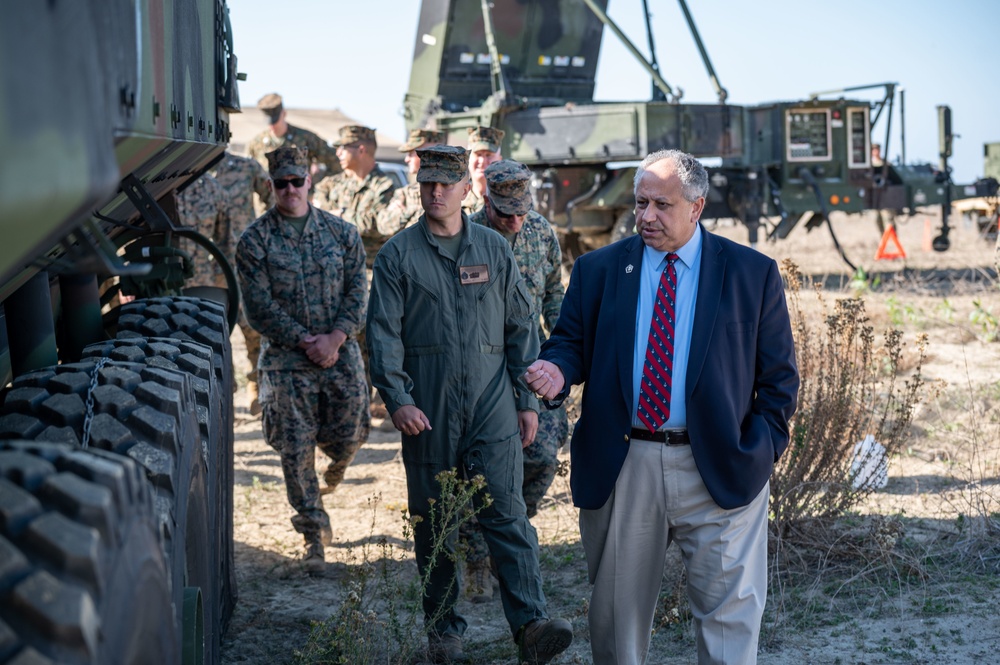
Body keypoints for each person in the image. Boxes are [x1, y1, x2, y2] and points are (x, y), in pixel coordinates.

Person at [525, 149, 799, 665]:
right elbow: (569, 344)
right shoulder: (598, 270)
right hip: (626, 465)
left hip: (721, 464)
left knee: (731, 623)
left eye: (661, 205)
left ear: (696, 208)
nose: (646, 216)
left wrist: (760, 450)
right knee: (616, 625)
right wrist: (557, 371)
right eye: (640, 203)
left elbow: (780, 380)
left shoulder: (751, 273)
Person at [366, 145, 573, 665]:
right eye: (428, 183)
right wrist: (398, 400)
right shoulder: (398, 255)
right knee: (434, 523)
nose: (436, 192)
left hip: (492, 405)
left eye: (446, 184)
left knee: (508, 516)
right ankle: (444, 635)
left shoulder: (493, 249)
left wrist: (526, 400)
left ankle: (532, 626)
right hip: (428, 409)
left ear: (466, 190)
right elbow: (383, 337)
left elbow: (521, 329)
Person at [235, 146, 370, 573]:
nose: (290, 189)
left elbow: (358, 293)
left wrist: (335, 337)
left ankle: (335, 470)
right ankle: (313, 536)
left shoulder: (342, 234)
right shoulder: (255, 241)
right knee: (294, 449)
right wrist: (305, 340)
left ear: (310, 180)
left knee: (352, 432)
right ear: (271, 187)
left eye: (297, 181)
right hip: (286, 361)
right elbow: (257, 306)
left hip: (340, 353)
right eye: (281, 183)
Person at [461, 160, 567, 603]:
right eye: (507, 212)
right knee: (478, 468)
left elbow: (555, 294)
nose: (516, 220)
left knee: (542, 457)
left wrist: (565, 353)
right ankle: (476, 558)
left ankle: (511, 537)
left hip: (532, 367)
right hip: (480, 370)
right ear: (486, 199)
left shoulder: (541, 232)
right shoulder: (463, 237)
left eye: (522, 210)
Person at [211, 151, 273, 415]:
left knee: (253, 329)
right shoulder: (187, 171)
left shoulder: (246, 167)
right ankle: (223, 396)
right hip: (207, 268)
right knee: (214, 333)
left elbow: (274, 197)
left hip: (244, 263)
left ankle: (256, 387)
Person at [312, 124, 397, 263]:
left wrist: (339, 215)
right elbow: (317, 214)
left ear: (361, 150)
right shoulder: (331, 184)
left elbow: (377, 224)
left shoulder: (383, 186)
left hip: (367, 269)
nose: (338, 153)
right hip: (334, 267)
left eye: (343, 148)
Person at [247, 93, 341, 193]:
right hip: (268, 204)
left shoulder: (305, 138)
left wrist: (315, 187)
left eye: (275, 121)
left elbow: (335, 161)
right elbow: (248, 174)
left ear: (284, 114)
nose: (273, 126)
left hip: (298, 202)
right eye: (270, 122)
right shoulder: (256, 144)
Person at [375, 128, 445, 235]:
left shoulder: (451, 191)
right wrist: (406, 213)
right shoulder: (406, 193)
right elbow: (383, 226)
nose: (406, 159)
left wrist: (404, 212)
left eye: (412, 152)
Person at [174, 172, 229, 287]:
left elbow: (226, 242)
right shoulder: (157, 188)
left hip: (203, 283)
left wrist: (223, 283)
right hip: (163, 286)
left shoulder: (212, 188)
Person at [462, 125, 504, 215]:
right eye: (478, 154)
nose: (482, 161)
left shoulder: (508, 202)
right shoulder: (455, 199)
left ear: (499, 160)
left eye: (488, 155)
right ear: (468, 159)